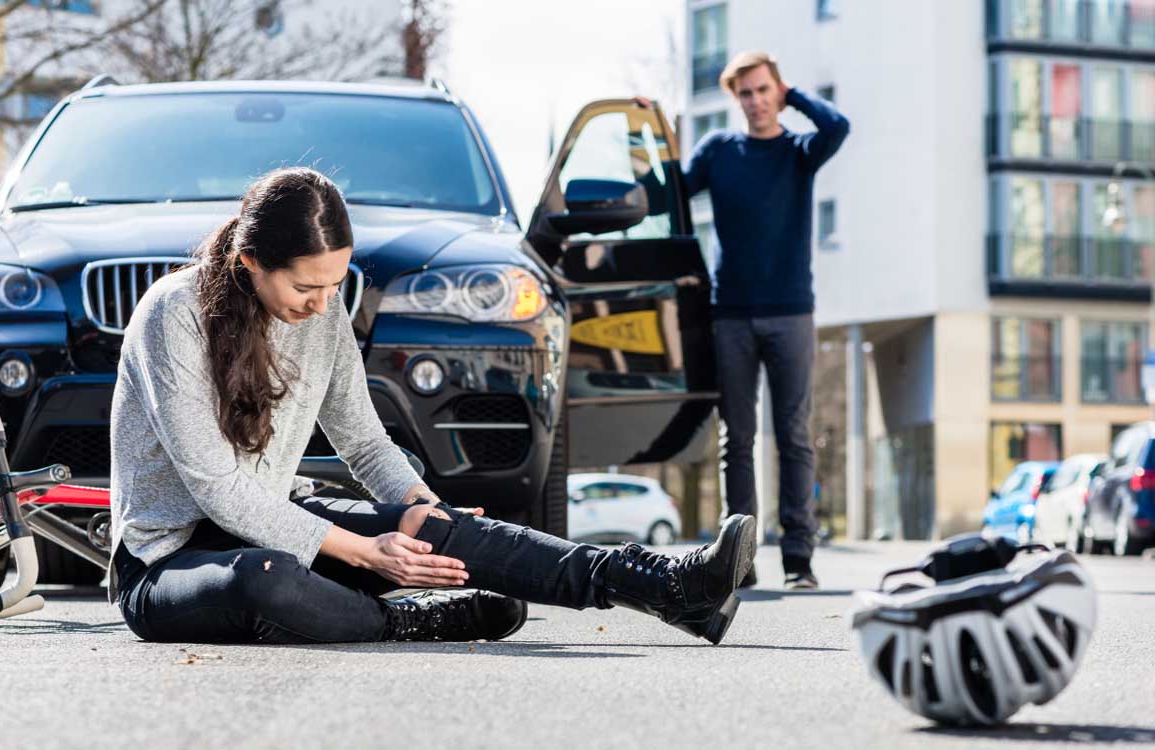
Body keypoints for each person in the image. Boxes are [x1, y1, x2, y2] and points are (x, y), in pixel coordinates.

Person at [107, 167, 758, 646]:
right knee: (263, 577)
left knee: (428, 526)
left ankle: (666, 586)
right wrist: (367, 554)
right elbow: (217, 489)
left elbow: (363, 442)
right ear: (251, 260)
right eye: (306, 285)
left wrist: (427, 510)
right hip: (168, 565)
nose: (321, 301)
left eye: (336, 283)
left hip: (274, 519)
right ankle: (406, 619)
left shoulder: (322, 311)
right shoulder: (174, 314)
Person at [683, 52, 849, 589]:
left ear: (777, 90)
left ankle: (799, 559)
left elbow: (838, 125)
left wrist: (793, 91)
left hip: (791, 314)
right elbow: (672, 189)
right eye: (746, 94)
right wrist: (650, 126)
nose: (755, 102)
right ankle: (740, 558)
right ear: (737, 101)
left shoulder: (800, 152)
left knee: (795, 436)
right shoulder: (719, 152)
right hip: (730, 313)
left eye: (763, 90)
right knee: (738, 440)